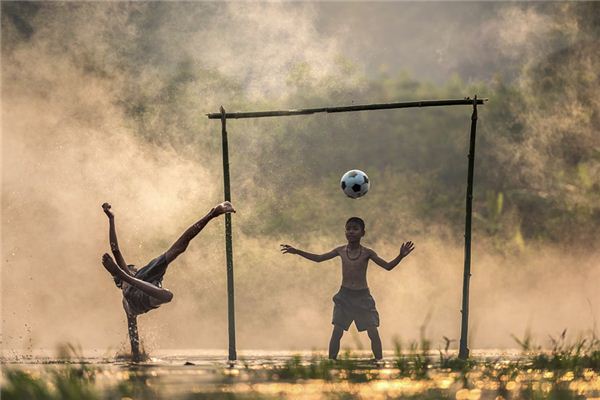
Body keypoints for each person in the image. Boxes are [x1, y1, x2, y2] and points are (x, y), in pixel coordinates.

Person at [101, 201, 235, 361]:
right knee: (167, 294)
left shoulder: (139, 276)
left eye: (132, 269)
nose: (134, 267)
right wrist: (135, 354)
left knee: (176, 251)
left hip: (145, 284)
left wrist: (111, 219)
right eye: (131, 268)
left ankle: (212, 213)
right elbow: (115, 250)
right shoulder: (127, 288)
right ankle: (212, 214)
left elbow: (115, 249)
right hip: (141, 294)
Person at [280, 217, 414, 360]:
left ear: (363, 233)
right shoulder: (340, 250)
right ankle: (331, 362)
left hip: (363, 297)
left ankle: (378, 362)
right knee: (337, 331)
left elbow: (388, 266)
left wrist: (400, 256)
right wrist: (297, 251)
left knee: (373, 332)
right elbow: (319, 258)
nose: (351, 232)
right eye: (348, 229)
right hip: (345, 297)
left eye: (355, 229)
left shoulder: (368, 253)